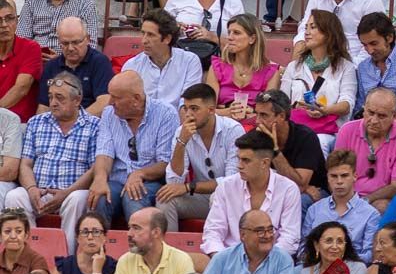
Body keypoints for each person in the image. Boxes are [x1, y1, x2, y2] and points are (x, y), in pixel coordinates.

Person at [4, 72, 98, 252]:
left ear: (77, 100)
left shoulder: (94, 125)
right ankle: (33, 255)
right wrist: (31, 189)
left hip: (72, 192)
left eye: (59, 98)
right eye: (50, 97)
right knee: (15, 196)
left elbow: (95, 169)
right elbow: (25, 164)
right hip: (39, 192)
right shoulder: (36, 122)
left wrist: (67, 192)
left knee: (77, 200)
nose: (53, 102)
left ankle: (66, 258)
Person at [88, 71, 176, 225]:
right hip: (117, 180)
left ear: (136, 99)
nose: (110, 102)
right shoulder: (109, 113)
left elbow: (165, 163)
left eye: (116, 98)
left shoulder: (166, 114)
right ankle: (98, 247)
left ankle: (139, 248)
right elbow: (104, 153)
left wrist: (139, 174)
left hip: (150, 181)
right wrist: (100, 179)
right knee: (99, 197)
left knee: (133, 196)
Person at [156, 84, 242, 233]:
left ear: (211, 110)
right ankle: (171, 252)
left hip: (233, 199)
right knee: (164, 199)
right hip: (202, 197)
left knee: (217, 197)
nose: (188, 114)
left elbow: (231, 182)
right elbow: (174, 182)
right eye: (185, 108)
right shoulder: (181, 132)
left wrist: (190, 187)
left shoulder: (233, 130)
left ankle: (218, 249)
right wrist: (181, 142)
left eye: (194, 109)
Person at [201, 129, 302, 256]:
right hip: (230, 259)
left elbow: (289, 238)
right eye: (239, 159)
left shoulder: (288, 189)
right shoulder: (226, 186)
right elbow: (213, 232)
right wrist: (222, 260)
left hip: (272, 262)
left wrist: (265, 262)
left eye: (246, 160)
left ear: (264, 163)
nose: (239, 166)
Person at [281, 10, 357, 150]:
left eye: (313, 27)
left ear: (328, 33)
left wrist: (325, 110)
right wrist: (296, 105)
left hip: (329, 131)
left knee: (318, 141)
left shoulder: (345, 67)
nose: (307, 32)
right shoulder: (294, 67)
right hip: (296, 127)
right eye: (306, 27)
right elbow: (281, 102)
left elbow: (347, 104)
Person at [301, 146, 384, 258]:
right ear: (328, 178)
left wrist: (340, 261)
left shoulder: (370, 214)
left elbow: (369, 254)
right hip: (316, 268)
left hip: (352, 269)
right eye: (334, 176)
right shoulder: (314, 210)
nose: (339, 181)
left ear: (355, 176)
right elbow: (304, 248)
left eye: (344, 176)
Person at [204, 13, 281, 120]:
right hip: (222, 123)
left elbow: (269, 113)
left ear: (252, 39)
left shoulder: (270, 72)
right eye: (229, 32)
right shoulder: (217, 67)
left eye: (236, 33)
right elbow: (207, 110)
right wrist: (227, 111)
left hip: (254, 127)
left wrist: (253, 112)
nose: (229, 37)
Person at [118, 11, 202, 107]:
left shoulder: (190, 62)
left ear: (167, 39)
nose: (144, 40)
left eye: (150, 35)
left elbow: (188, 104)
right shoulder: (132, 66)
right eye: (143, 33)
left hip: (178, 119)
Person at [201, 208, 294, 274]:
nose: (267, 236)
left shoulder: (283, 260)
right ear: (243, 235)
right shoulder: (222, 259)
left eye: (270, 230)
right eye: (260, 231)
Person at [36, 17, 112, 114]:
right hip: (55, 123)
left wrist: (74, 124)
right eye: (65, 43)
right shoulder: (51, 66)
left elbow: (104, 102)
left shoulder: (100, 62)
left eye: (76, 42)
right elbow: (44, 106)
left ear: (88, 39)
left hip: (89, 124)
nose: (70, 48)